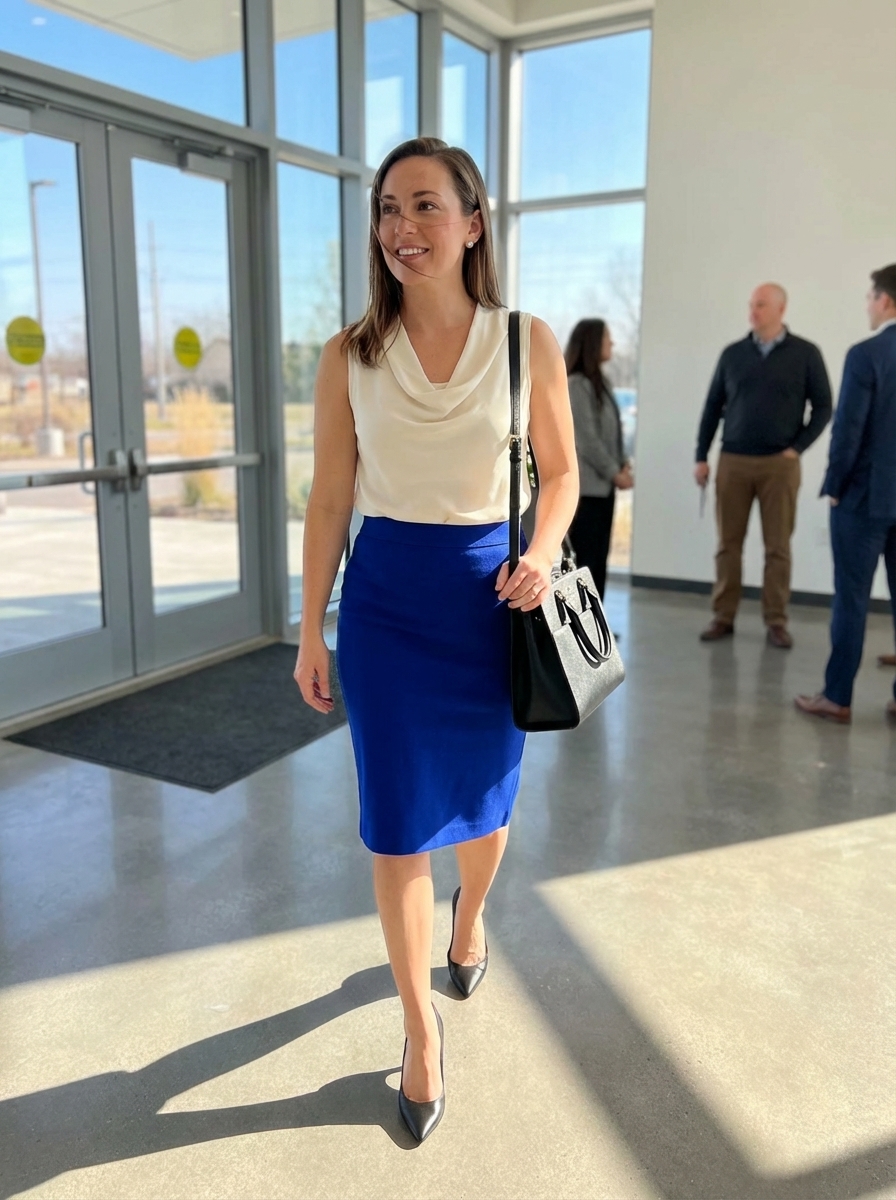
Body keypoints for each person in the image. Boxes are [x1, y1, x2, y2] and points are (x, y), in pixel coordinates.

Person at [292, 138, 578, 1142]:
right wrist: (309, 626)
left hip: (487, 599)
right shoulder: (350, 354)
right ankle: (420, 1033)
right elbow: (330, 495)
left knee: (486, 809)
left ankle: (468, 918)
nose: (400, 229)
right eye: (385, 210)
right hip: (384, 605)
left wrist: (541, 547)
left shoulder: (525, 340)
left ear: (470, 222)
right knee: (399, 820)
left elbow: (562, 473)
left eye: (422, 206)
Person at [694, 283, 832, 647]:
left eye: (761, 305)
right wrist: (700, 456)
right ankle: (723, 616)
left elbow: (824, 407)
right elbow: (711, 409)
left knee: (778, 547)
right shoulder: (732, 354)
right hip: (733, 461)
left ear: (780, 309)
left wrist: (797, 447)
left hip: (779, 465)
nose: (753, 311)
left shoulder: (805, 354)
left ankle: (776, 621)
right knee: (728, 544)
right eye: (751, 304)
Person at [795, 265, 896, 724]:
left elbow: (848, 432)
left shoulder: (866, 354)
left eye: (871, 296)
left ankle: (837, 697)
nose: (868, 303)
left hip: (864, 498)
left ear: (887, 301)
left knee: (851, 598)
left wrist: (834, 487)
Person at [565, 318, 633, 599]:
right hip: (587, 492)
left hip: (602, 489)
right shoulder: (576, 385)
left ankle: (598, 628)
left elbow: (611, 429)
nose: (612, 343)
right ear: (593, 343)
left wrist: (623, 462)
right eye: (607, 338)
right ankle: (583, 634)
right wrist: (614, 472)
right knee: (586, 563)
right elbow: (587, 440)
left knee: (599, 560)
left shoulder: (600, 382)